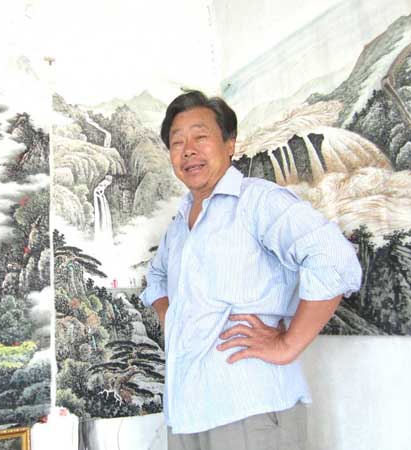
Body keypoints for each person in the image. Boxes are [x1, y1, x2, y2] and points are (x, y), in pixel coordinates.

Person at [141, 91, 362, 450]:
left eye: (200, 137)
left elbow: (334, 258)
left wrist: (287, 345)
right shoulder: (180, 225)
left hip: (250, 410)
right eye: (177, 142)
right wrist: (173, 318)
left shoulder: (257, 201)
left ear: (229, 144)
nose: (188, 150)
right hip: (186, 414)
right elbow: (155, 279)